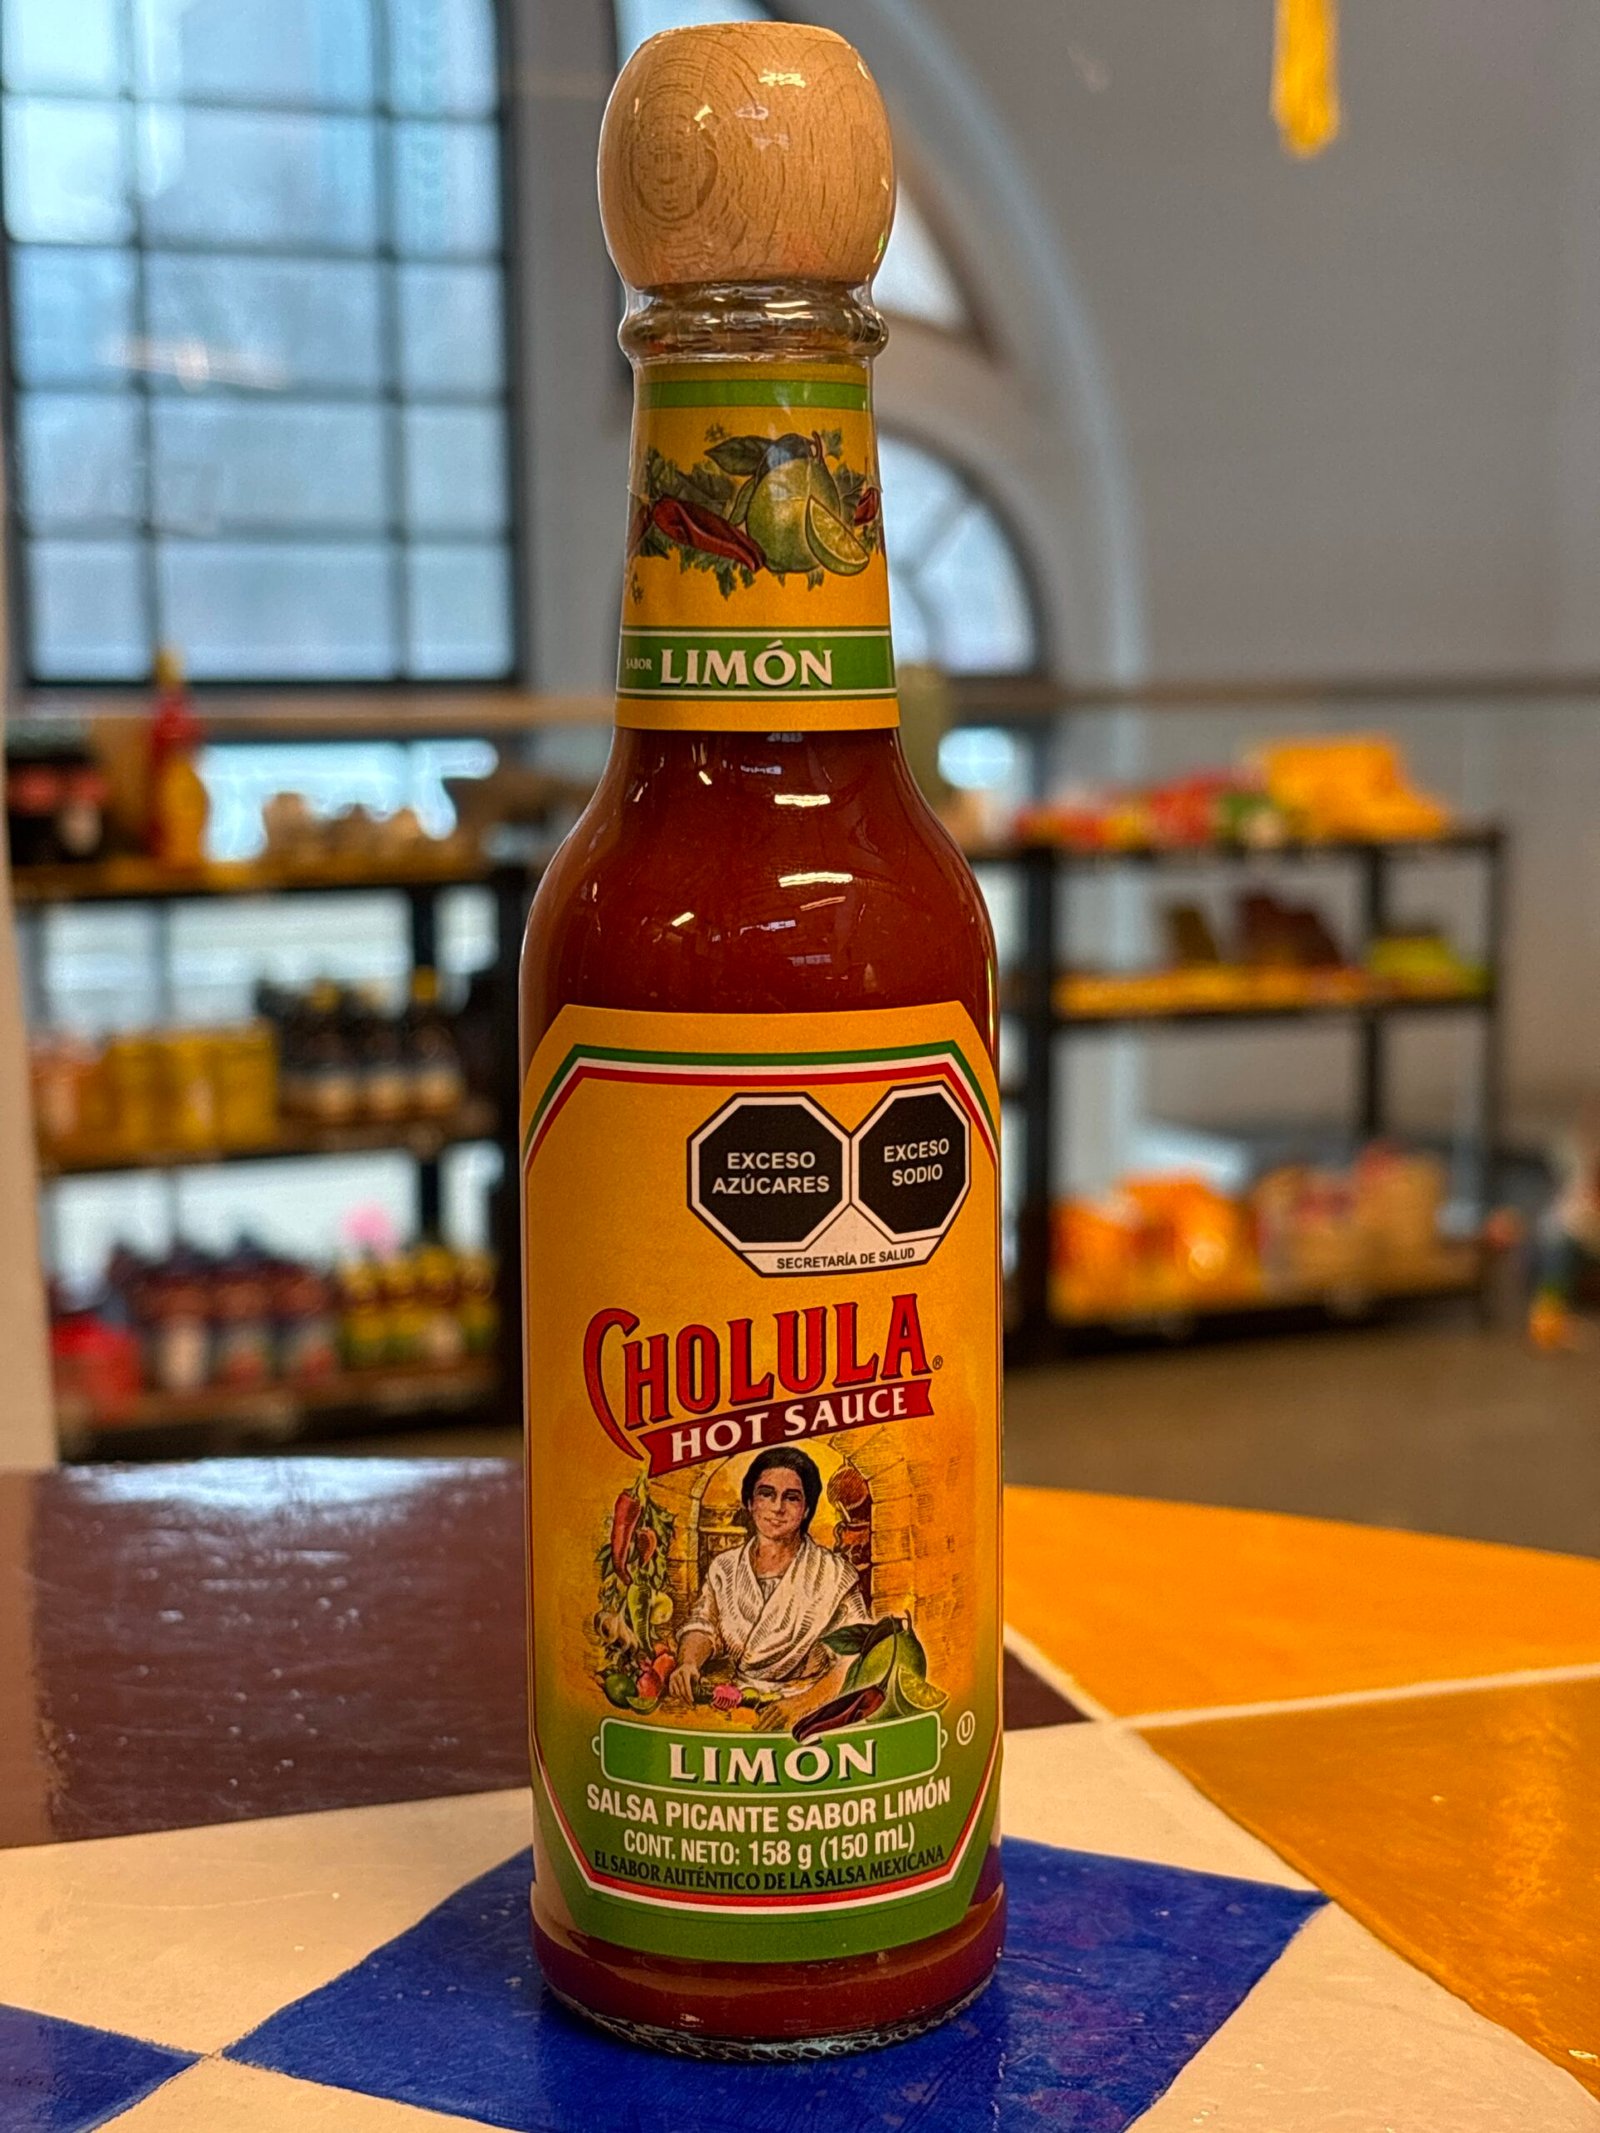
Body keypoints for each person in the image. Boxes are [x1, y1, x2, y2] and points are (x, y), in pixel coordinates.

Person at [668, 1447, 868, 1701]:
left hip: (814, 1703)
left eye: (792, 1498)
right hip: (739, 1699)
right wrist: (688, 1662)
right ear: (750, 1503)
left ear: (806, 1509)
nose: (778, 1507)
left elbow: (859, 1653)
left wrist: (801, 1705)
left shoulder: (834, 1574)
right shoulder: (725, 1568)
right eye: (766, 1494)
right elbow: (704, 1624)